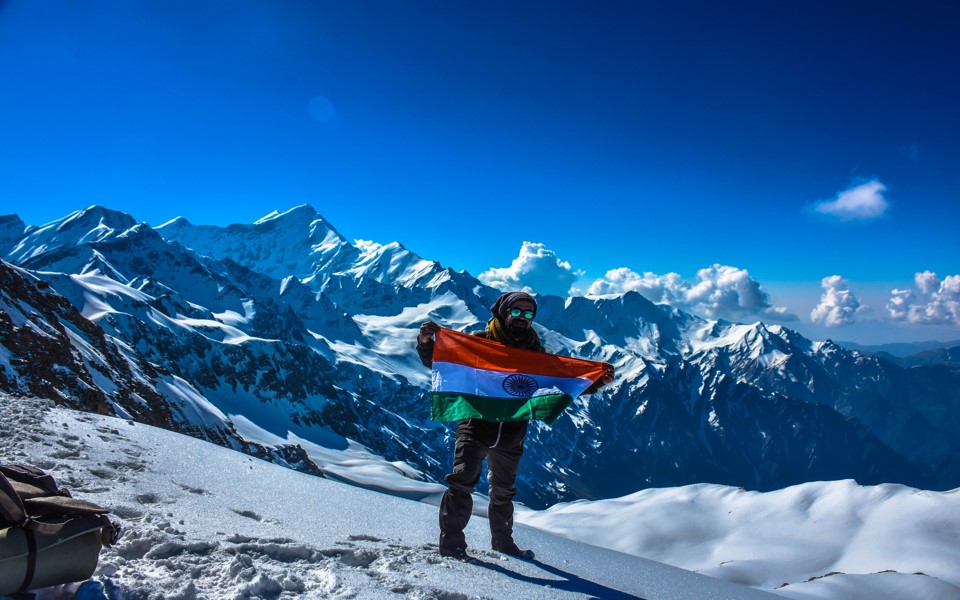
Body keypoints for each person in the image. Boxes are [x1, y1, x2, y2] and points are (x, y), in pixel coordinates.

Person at [417, 291, 614, 562]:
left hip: (512, 430)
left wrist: (596, 381)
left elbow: (559, 382)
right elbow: (440, 360)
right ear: (503, 312)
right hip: (477, 423)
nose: (523, 318)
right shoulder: (481, 342)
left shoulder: (535, 352)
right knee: (462, 482)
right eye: (517, 312)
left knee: (503, 491)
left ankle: (503, 542)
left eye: (528, 313)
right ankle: (451, 545)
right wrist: (426, 342)